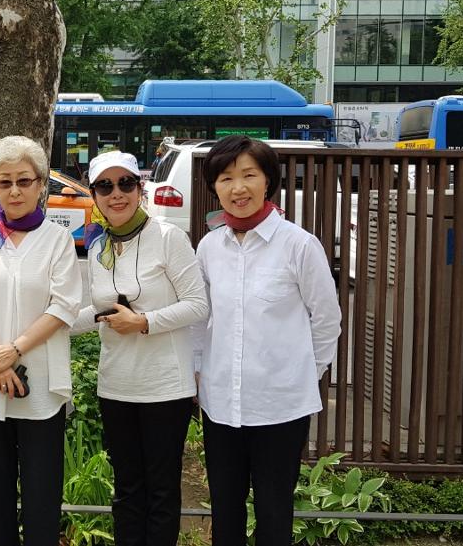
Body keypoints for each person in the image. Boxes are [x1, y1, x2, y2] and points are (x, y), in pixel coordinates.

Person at [193, 135, 341, 546]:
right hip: (221, 403)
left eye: (249, 175)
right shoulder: (209, 247)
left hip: (281, 406)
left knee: (274, 511)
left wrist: (304, 374)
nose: (238, 188)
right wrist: (197, 371)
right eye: (226, 178)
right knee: (225, 509)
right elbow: (199, 318)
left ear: (268, 181)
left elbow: (327, 320)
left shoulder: (299, 245)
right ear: (215, 187)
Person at [70, 150, 209, 546]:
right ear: (94, 195)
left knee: (161, 491)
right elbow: (100, 311)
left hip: (165, 386)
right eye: (105, 186)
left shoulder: (168, 237)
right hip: (116, 385)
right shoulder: (99, 245)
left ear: (140, 188)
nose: (116, 194)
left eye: (125, 183)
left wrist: (144, 322)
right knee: (127, 489)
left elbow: (198, 304)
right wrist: (49, 325)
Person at [0, 135, 82, 546]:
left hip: (40, 381)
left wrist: (15, 350)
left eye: (24, 181)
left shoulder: (57, 240)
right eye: (4, 182)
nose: (14, 191)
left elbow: (64, 305)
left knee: (42, 491)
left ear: (41, 184)